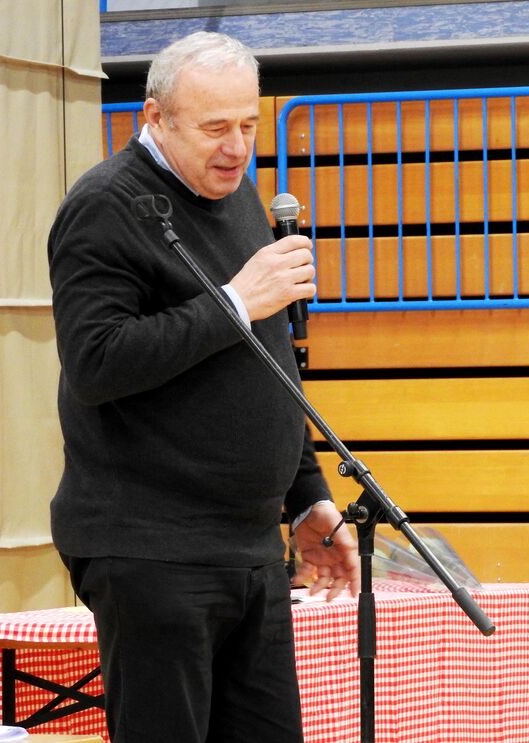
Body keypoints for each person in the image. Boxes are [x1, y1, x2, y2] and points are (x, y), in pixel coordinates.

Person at [47, 31, 359, 743]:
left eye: (248, 123)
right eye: (216, 127)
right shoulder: (105, 205)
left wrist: (305, 494)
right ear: (155, 118)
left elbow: (265, 364)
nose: (238, 146)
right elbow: (96, 361)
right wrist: (235, 300)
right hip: (152, 548)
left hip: (250, 543)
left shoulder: (238, 195)